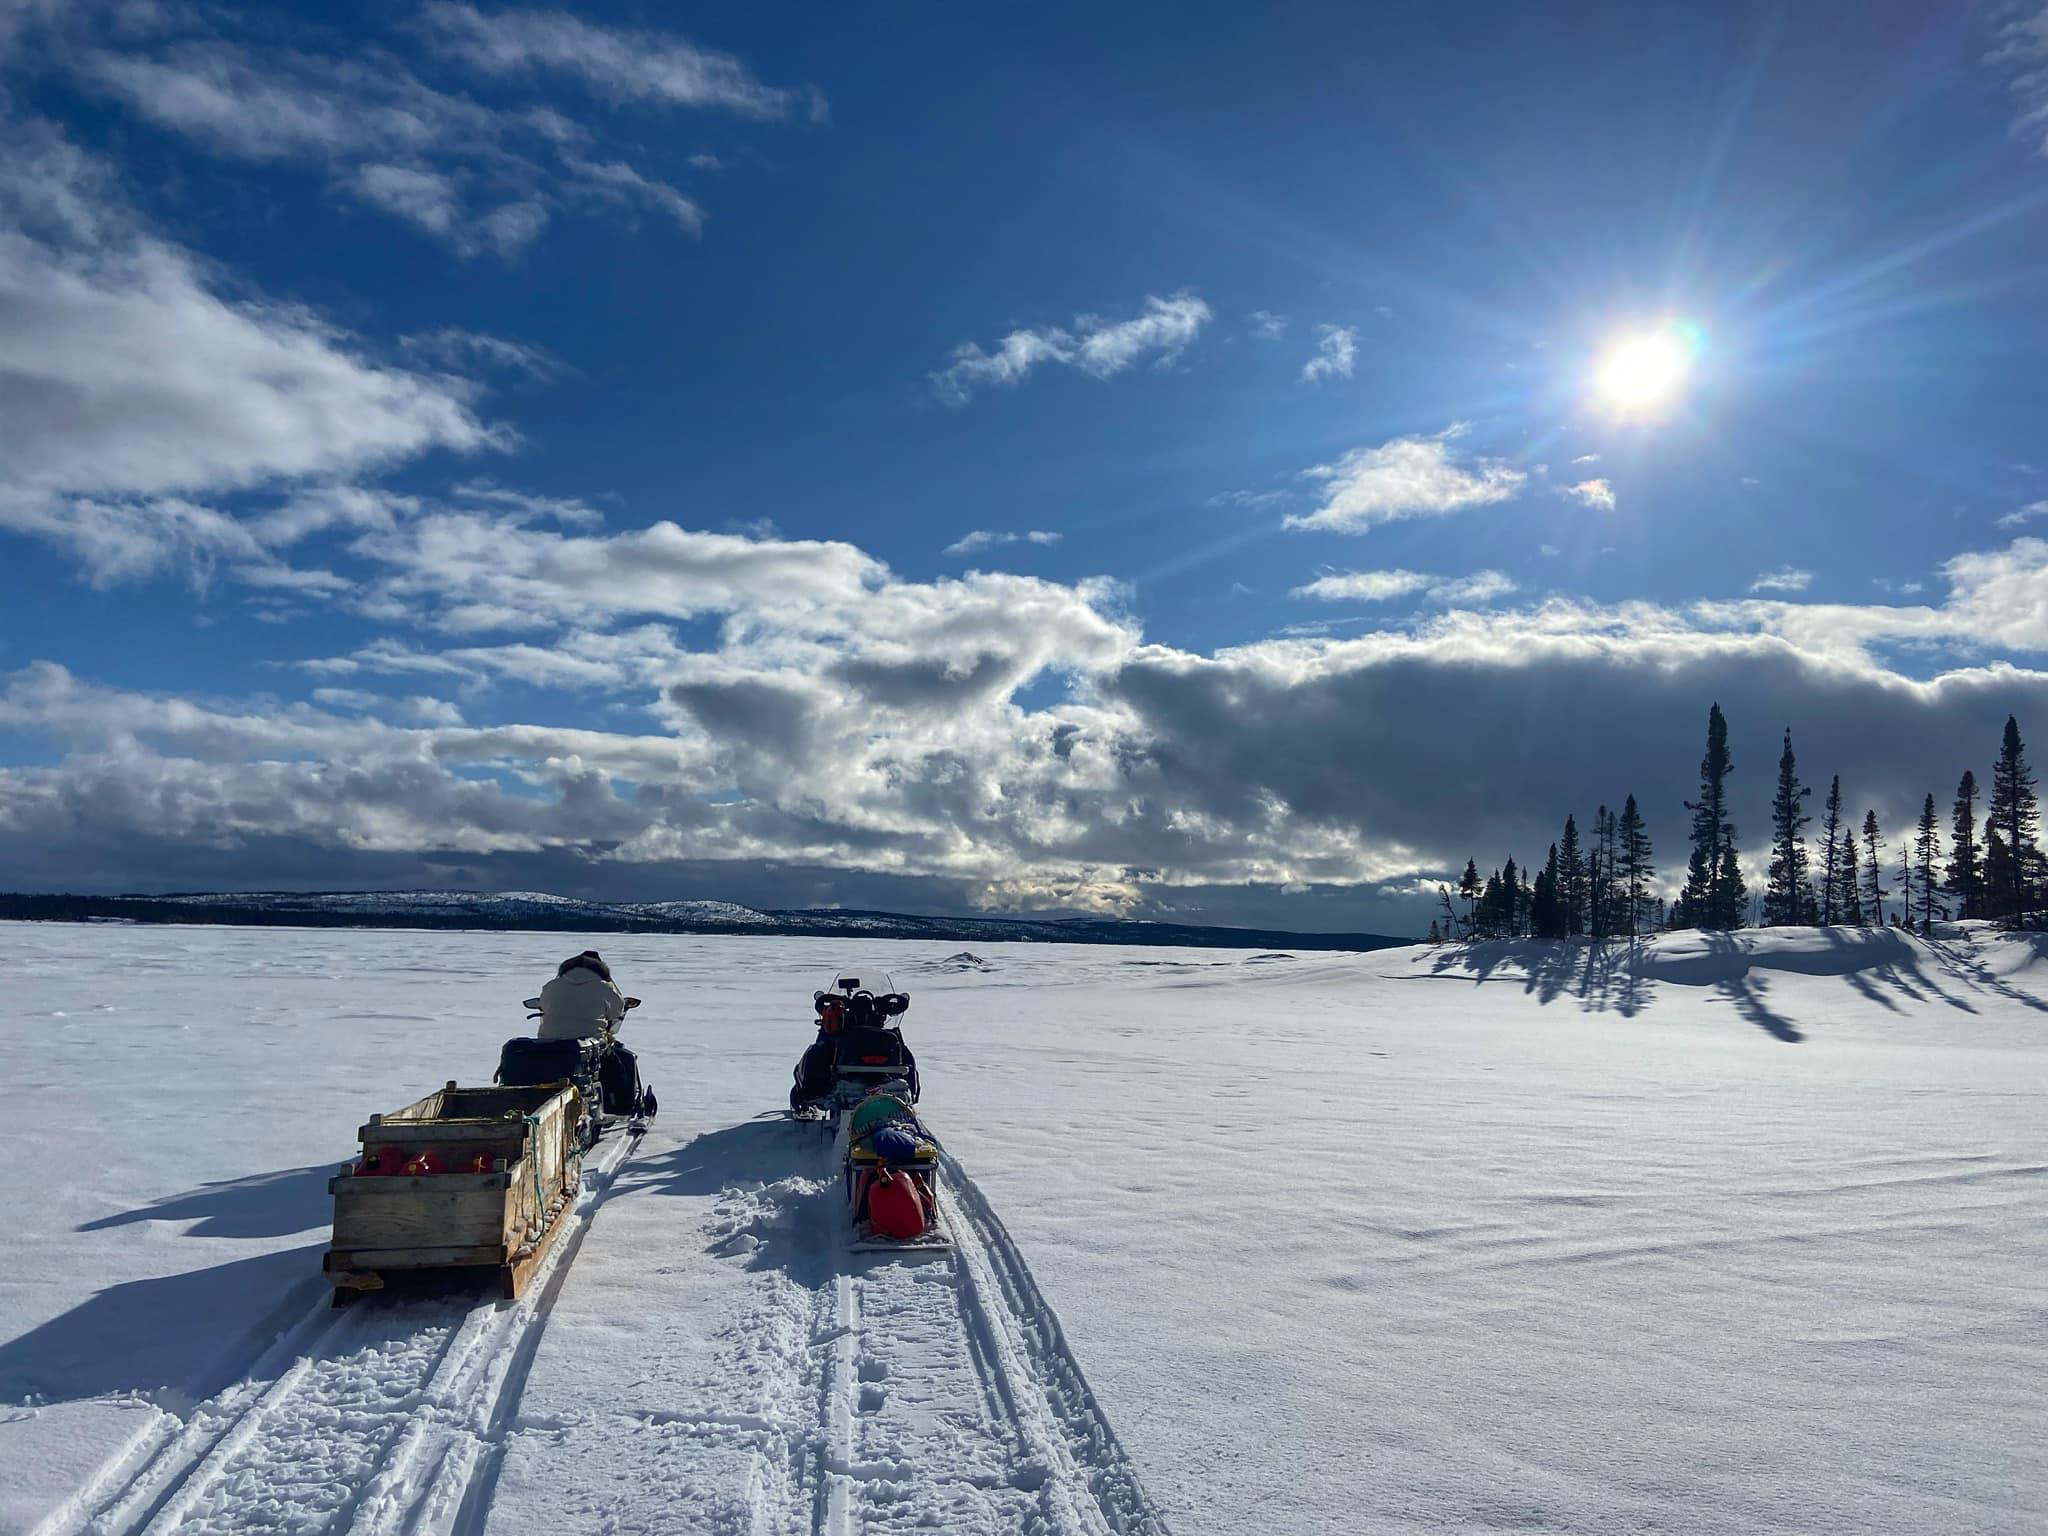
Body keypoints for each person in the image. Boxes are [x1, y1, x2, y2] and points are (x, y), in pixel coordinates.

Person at [534, 951, 654, 1119]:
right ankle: (620, 1107)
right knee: (619, 1064)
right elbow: (617, 1010)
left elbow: (542, 1004)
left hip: (550, 1045)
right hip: (590, 1045)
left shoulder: (551, 986)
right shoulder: (604, 987)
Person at [537, 950, 627, 1041]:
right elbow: (616, 1012)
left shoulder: (552, 985)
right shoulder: (605, 988)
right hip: (590, 1040)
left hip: (548, 1040)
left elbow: (543, 1006)